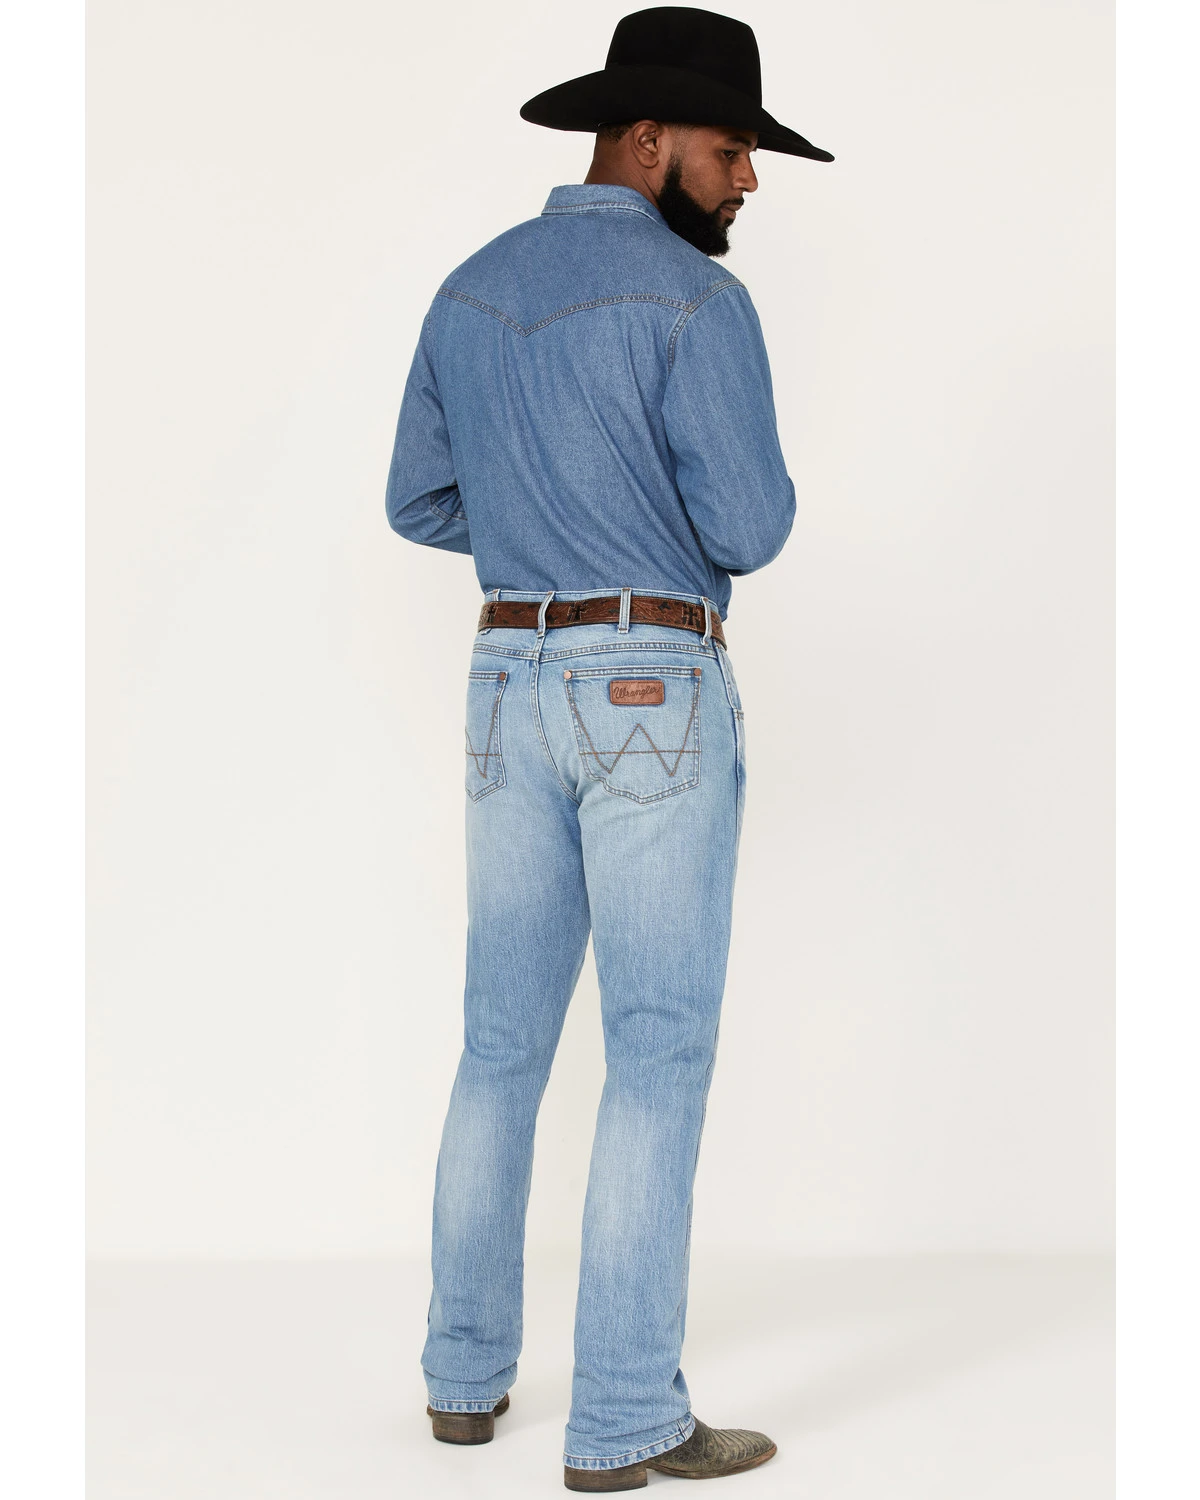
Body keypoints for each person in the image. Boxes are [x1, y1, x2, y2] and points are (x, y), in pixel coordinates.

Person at [385, 7, 832, 1490]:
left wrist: (544, 524)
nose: (748, 180)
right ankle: (628, 1415)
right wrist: (633, 528)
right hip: (651, 683)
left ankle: (463, 1379)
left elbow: (418, 500)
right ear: (647, 141)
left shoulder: (468, 288)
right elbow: (751, 527)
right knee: (655, 1047)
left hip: (503, 679)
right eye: (733, 150)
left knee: (499, 1043)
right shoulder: (696, 303)